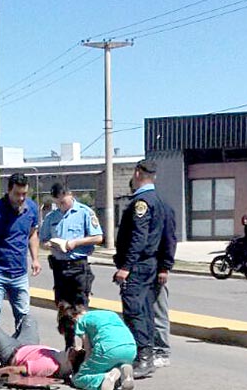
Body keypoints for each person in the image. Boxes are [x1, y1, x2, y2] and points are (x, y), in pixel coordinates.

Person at [0, 173, 42, 362]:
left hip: (19, 273)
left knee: (23, 316)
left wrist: (35, 259)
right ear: (9, 191)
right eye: (17, 194)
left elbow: (32, 235)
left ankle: (23, 351)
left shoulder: (31, 208)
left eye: (24, 194)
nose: (21, 198)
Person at [113, 159, 164, 378]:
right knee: (144, 310)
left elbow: (138, 238)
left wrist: (126, 266)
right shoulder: (157, 200)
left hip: (138, 266)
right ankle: (146, 353)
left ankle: (142, 357)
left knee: (135, 311)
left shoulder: (142, 202)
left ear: (137, 173)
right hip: (149, 264)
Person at [40, 182, 103, 348]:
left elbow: (98, 237)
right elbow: (43, 240)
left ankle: (86, 346)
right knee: (64, 310)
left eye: (64, 201)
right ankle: (70, 347)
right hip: (60, 267)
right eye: (58, 202)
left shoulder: (84, 212)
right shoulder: (51, 218)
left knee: (80, 309)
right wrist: (50, 244)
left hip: (78, 266)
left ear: (70, 195)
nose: (61, 205)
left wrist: (75, 243)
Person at [0, 313, 80, 379]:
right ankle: (11, 338)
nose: (76, 348)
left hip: (11, 352)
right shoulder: (66, 357)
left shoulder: (49, 366)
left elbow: (14, 370)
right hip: (29, 345)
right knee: (30, 318)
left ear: (72, 359)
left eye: (77, 351)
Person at [57, 303, 136, 390]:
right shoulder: (109, 314)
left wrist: (84, 366)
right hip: (131, 347)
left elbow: (88, 349)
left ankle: (104, 379)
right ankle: (121, 371)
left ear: (74, 318)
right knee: (110, 362)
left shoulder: (81, 321)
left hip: (108, 349)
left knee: (79, 378)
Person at [153, 197, 177, 368]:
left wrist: (164, 267)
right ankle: (151, 350)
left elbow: (169, 240)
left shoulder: (162, 209)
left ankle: (162, 351)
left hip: (156, 269)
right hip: (142, 271)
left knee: (159, 312)